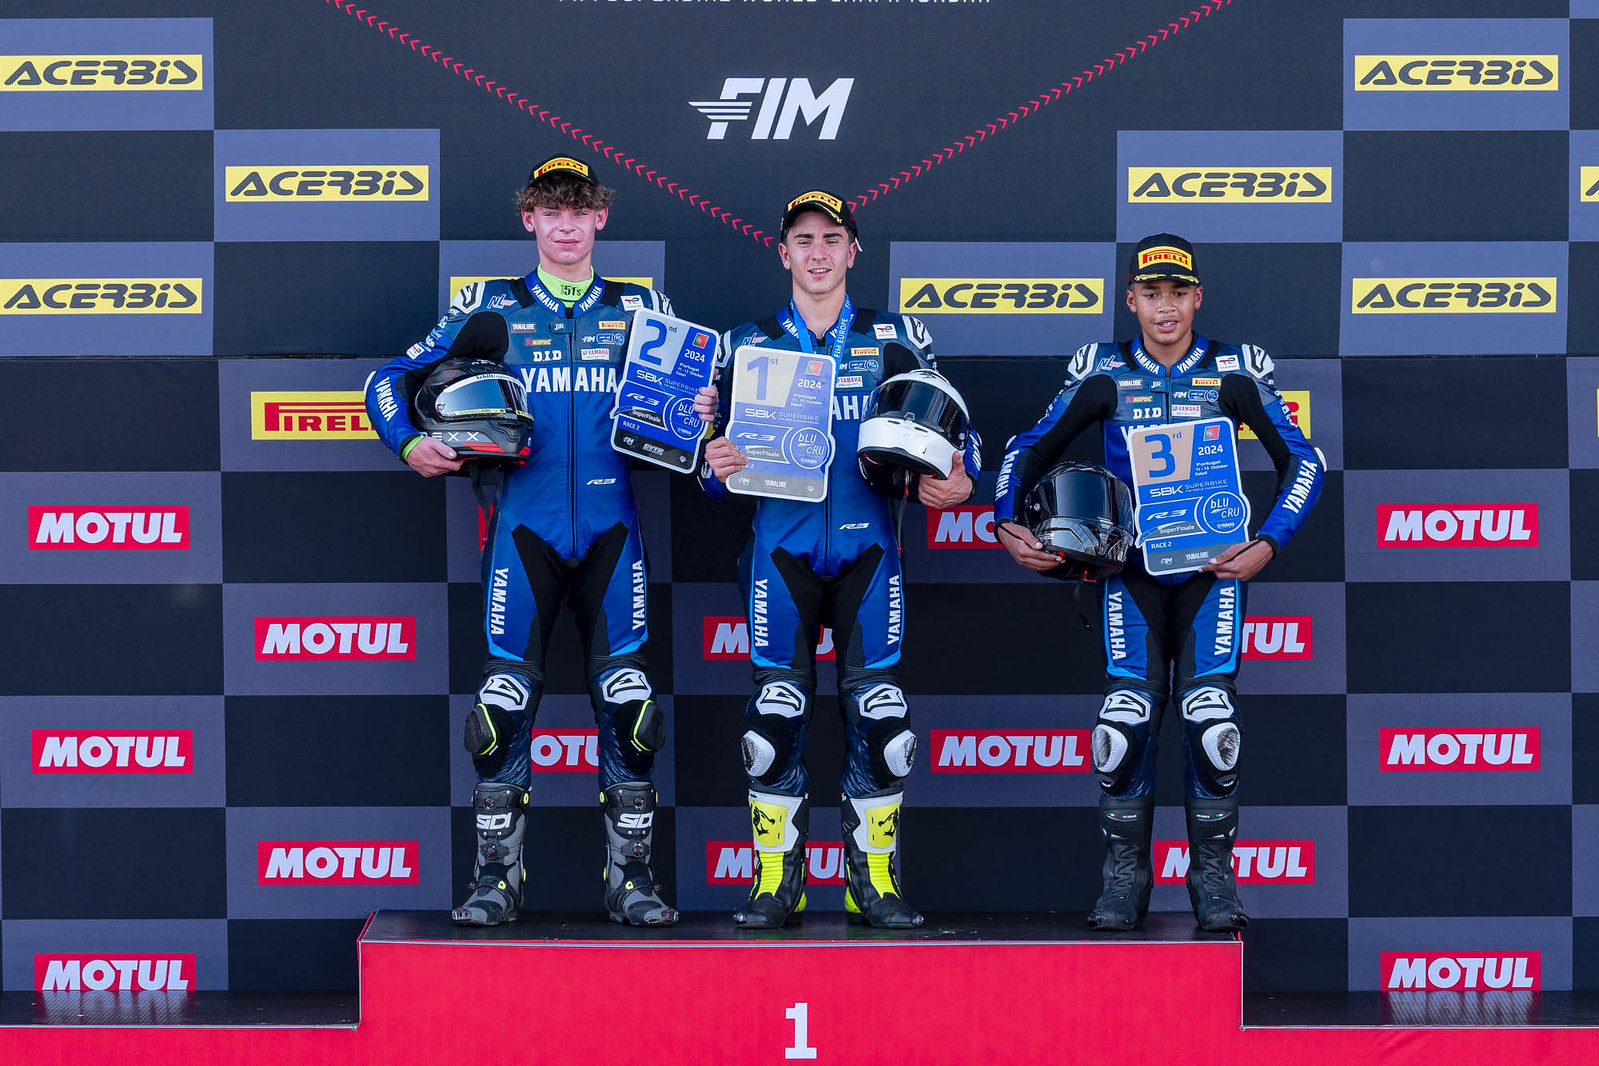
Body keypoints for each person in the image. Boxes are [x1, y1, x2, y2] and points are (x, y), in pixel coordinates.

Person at [364, 155, 679, 927]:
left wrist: (698, 409)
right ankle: (495, 882)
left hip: (613, 529)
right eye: (550, 210)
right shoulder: (489, 307)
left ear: (601, 217)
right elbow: (389, 379)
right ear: (528, 219)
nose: (566, 225)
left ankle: (632, 882)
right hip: (522, 529)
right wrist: (409, 443)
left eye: (579, 209)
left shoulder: (644, 307)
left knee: (632, 710)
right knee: (500, 711)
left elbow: (687, 420)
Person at [993, 234, 1322, 932]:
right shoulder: (1104, 373)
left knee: (1211, 722)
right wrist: (1004, 521)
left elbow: (1304, 461)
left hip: (1212, 573)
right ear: (1130, 300)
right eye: (1151, 294)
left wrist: (1268, 541)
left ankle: (1211, 878)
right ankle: (1124, 878)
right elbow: (1026, 449)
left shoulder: (1232, 371)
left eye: (1177, 292)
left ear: (1197, 298)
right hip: (1129, 573)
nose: (1165, 307)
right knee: (1122, 724)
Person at [694, 190, 981, 929]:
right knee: (772, 724)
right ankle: (774, 885)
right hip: (778, 553)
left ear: (853, 250)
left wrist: (961, 478)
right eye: (803, 240)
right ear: (782, 252)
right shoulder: (743, 343)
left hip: (869, 552)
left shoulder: (895, 337)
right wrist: (713, 462)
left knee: (883, 723)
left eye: (831, 238)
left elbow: (960, 433)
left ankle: (873, 884)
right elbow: (705, 466)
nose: (817, 253)